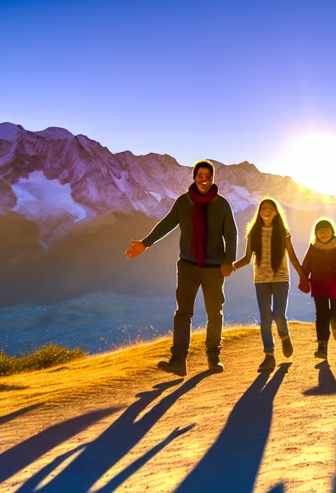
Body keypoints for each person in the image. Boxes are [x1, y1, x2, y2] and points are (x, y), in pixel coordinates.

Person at [126, 160, 237, 375]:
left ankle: (214, 357)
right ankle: (178, 361)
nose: (204, 180)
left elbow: (231, 234)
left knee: (214, 312)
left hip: (214, 268)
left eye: (208, 176)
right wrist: (145, 243)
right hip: (187, 266)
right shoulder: (183, 202)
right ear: (194, 177)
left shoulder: (221, 204)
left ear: (213, 179)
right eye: (200, 175)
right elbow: (167, 223)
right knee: (183, 313)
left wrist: (228, 261)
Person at [233, 198, 305, 372]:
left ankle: (285, 337)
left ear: (276, 211)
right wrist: (232, 266)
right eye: (264, 208)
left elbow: (293, 257)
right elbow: (247, 257)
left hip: (281, 279)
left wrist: (303, 276)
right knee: (265, 318)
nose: (267, 211)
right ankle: (269, 356)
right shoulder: (254, 233)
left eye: (270, 208)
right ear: (259, 212)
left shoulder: (283, 232)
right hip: (261, 281)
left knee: (279, 315)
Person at [299, 218, 336, 360]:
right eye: (319, 231)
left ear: (332, 231)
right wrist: (303, 280)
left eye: (326, 230)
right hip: (319, 285)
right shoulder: (313, 247)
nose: (323, 233)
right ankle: (322, 346)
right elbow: (306, 265)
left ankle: (335, 325)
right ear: (315, 234)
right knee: (321, 315)